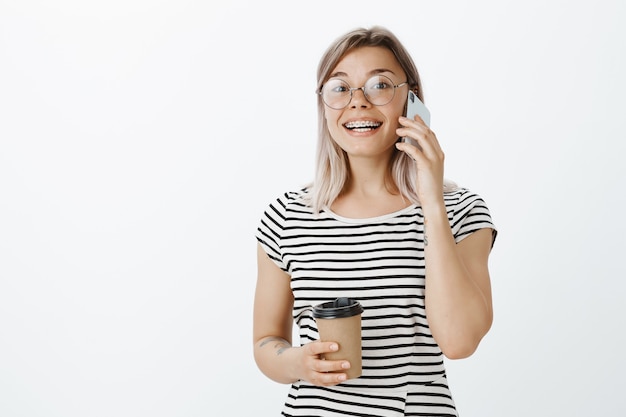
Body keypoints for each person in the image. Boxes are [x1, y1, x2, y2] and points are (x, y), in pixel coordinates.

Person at [253, 25, 497, 417]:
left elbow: (459, 342)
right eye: (339, 88)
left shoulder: (462, 210)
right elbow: (266, 341)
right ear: (323, 105)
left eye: (379, 85)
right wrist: (299, 363)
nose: (358, 103)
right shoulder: (285, 216)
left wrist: (431, 200)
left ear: (411, 99)